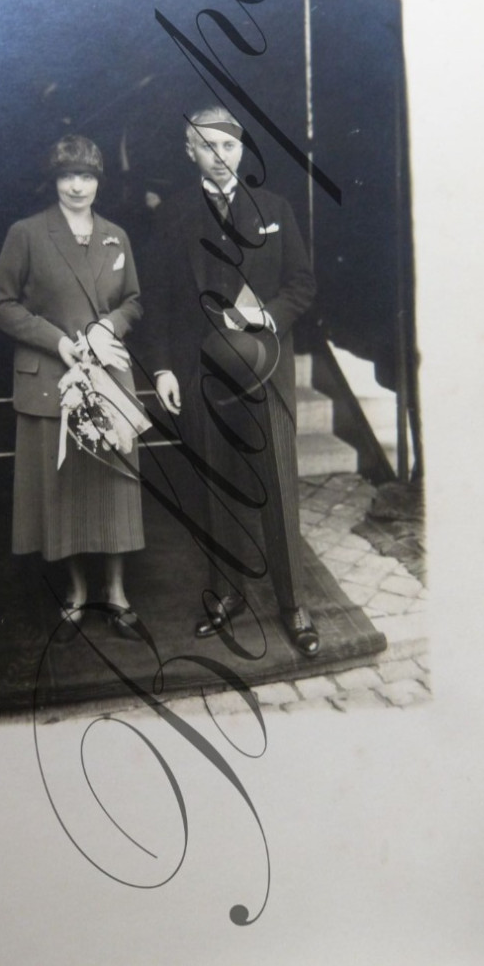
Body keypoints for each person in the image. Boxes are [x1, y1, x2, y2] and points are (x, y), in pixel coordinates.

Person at [145, 106, 321, 656]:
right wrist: (165, 368)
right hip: (203, 368)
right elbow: (161, 301)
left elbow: (302, 283)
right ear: (189, 151)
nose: (219, 157)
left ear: (241, 150)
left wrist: (266, 315)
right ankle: (228, 593)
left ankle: (293, 604)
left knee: (276, 481)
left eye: (227, 146)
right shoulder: (173, 216)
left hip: (266, 365)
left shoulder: (274, 208)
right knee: (216, 481)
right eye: (206, 147)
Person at [0, 135, 145, 641]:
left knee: (114, 485)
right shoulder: (27, 233)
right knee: (65, 490)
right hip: (54, 379)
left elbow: (134, 301)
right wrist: (56, 341)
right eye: (67, 176)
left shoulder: (116, 236)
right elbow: (0, 303)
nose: (77, 186)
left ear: (100, 181)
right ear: (54, 180)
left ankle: (117, 593)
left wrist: (109, 326)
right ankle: (77, 590)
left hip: (109, 375)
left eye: (87, 176)